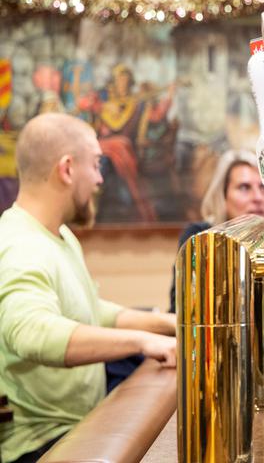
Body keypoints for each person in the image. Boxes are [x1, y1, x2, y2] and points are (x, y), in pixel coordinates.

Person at [0, 113, 178, 463]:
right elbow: (32, 332)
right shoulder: (20, 245)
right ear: (67, 169)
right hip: (41, 442)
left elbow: (88, 311)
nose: (99, 180)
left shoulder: (58, 235)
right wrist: (142, 342)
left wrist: (169, 324)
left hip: (78, 421)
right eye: (96, 165)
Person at [168, 150, 264, 328]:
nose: (258, 198)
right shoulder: (200, 238)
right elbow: (181, 313)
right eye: (244, 188)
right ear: (223, 196)